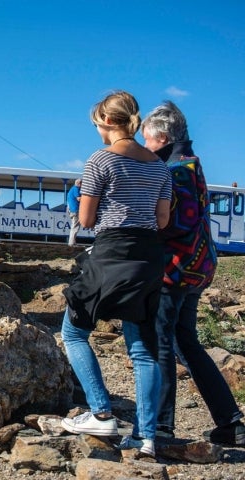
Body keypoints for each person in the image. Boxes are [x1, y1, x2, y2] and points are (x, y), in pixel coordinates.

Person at [59, 91, 172, 459]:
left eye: (96, 123)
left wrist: (75, 202)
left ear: (107, 121)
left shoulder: (100, 160)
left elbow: (89, 220)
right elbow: (162, 220)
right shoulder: (159, 167)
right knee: (142, 350)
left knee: (73, 332)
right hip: (148, 258)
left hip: (111, 254)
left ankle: (101, 411)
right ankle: (146, 436)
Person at [142, 101, 245, 445]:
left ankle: (161, 427)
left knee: (161, 343)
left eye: (147, 139)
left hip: (176, 270)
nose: (145, 146)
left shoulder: (174, 170)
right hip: (198, 267)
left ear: (162, 136)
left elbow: (175, 222)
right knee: (186, 341)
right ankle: (230, 421)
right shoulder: (191, 164)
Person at [67, 178, 82, 246]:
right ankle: (72, 243)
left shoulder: (71, 189)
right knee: (75, 226)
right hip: (75, 209)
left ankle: (72, 242)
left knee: (74, 226)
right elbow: (78, 198)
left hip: (71, 210)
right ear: (79, 184)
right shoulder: (76, 189)